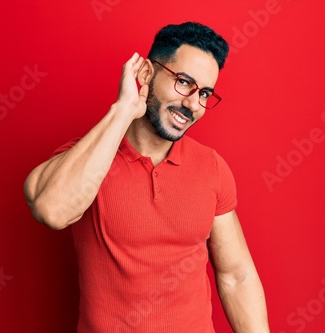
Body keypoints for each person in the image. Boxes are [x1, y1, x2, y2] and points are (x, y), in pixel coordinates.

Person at [24, 22, 270, 333]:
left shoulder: (211, 167)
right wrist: (125, 108)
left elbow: (236, 275)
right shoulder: (90, 157)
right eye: (184, 82)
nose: (193, 104)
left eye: (205, 92)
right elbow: (51, 211)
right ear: (147, 73)